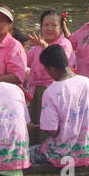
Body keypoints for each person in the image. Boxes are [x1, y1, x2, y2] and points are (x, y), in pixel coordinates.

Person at [33, 44, 89, 168]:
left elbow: (52, 130)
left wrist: (40, 126)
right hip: (87, 153)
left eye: (46, 69)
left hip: (62, 156)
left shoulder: (51, 91)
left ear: (52, 69)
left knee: (26, 154)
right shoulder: (87, 83)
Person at [25, 9, 75, 142]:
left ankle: (47, 153)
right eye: (46, 25)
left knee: (48, 127)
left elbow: (58, 63)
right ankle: (35, 152)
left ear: (61, 27)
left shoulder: (64, 44)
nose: (49, 28)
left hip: (53, 90)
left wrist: (44, 46)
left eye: (54, 25)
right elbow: (25, 60)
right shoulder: (37, 46)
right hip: (35, 90)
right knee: (34, 124)